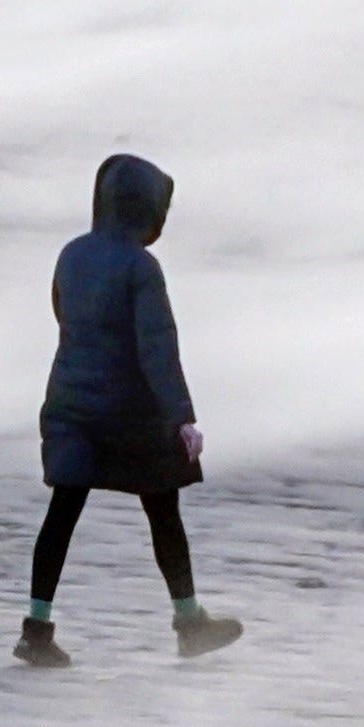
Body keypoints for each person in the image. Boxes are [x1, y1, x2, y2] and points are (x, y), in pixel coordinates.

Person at [24, 152, 240, 665]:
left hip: (71, 404)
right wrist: (181, 416)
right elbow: (157, 350)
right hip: (132, 415)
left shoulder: (71, 255)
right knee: (163, 512)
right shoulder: (143, 269)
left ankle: (36, 629)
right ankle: (189, 622)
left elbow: (63, 316)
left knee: (61, 514)